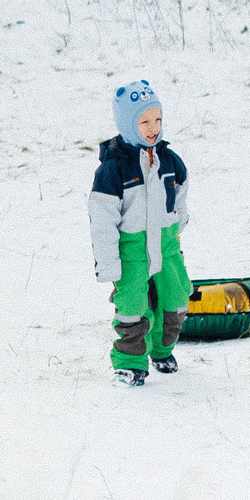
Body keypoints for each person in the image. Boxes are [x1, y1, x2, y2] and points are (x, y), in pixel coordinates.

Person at [88, 79, 191, 388]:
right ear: (127, 124)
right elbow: (102, 220)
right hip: (132, 250)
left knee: (176, 296)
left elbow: (181, 190)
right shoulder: (113, 170)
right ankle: (131, 363)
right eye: (144, 121)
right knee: (133, 306)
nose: (153, 127)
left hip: (167, 244)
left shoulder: (169, 160)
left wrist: (178, 221)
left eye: (157, 119)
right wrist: (108, 263)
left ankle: (162, 350)